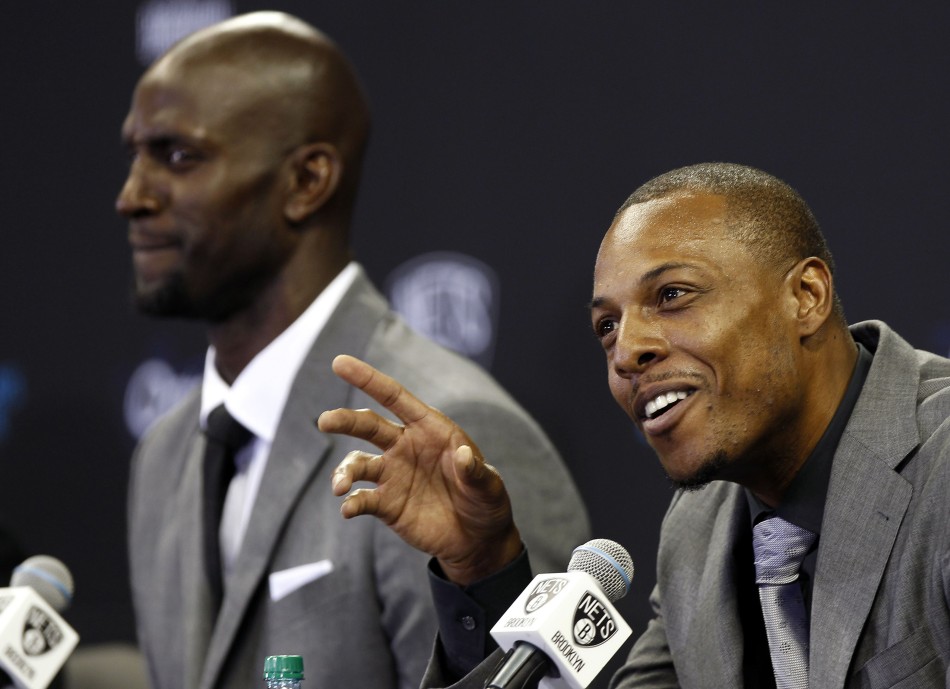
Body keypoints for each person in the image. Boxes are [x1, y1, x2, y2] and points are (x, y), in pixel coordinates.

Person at [319, 162, 950, 688]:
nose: (626, 352)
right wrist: (484, 568)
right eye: (606, 327)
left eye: (672, 296)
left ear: (805, 296)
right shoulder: (697, 533)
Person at [117, 12, 589, 689]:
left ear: (308, 181)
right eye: (134, 154)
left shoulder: (447, 430)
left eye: (179, 155)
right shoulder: (164, 454)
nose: (131, 195)